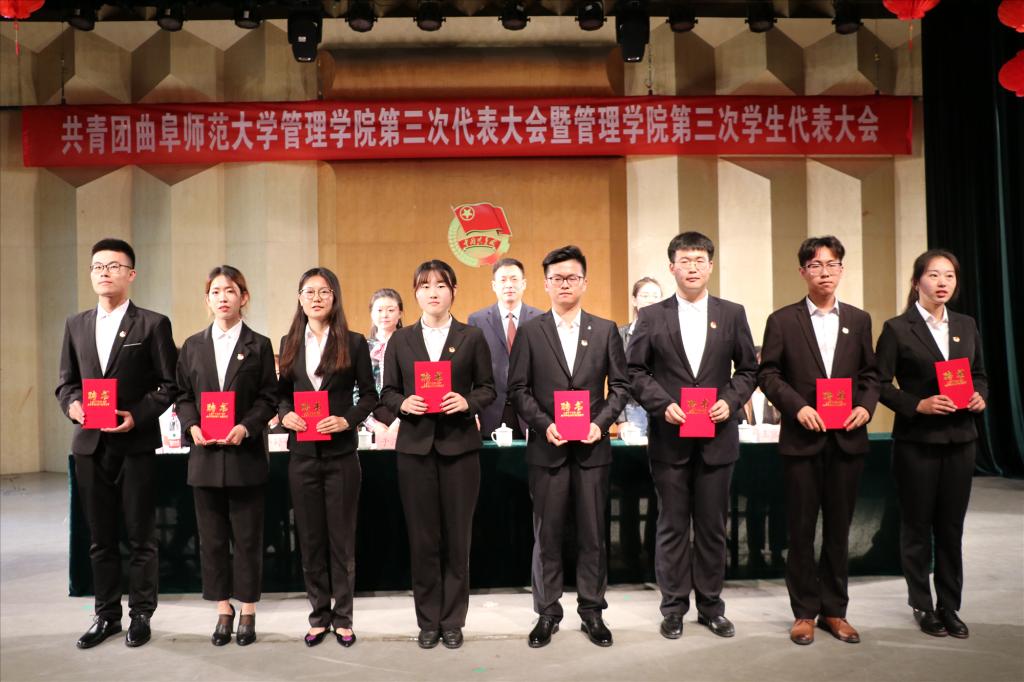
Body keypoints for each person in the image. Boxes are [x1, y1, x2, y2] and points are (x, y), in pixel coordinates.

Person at [627, 232, 757, 640]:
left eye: (700, 260)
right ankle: (673, 608)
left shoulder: (732, 313)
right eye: (685, 260)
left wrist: (730, 401)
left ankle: (711, 607)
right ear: (672, 267)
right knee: (671, 526)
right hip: (670, 437)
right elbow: (634, 371)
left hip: (717, 438)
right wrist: (662, 403)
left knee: (713, 527)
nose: (693, 267)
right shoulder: (652, 316)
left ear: (711, 266)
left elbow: (748, 370)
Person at [758, 236, 879, 646]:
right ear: (802, 271)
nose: (824, 272)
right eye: (815, 265)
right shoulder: (783, 320)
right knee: (800, 531)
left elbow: (870, 374)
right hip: (802, 440)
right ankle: (803, 612)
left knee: (840, 530)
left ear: (841, 269)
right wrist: (797, 408)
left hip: (847, 438)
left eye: (831, 264)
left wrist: (865, 407)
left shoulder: (859, 320)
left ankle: (835, 611)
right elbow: (768, 374)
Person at [56, 238, 178, 649]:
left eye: (113, 266)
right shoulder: (76, 324)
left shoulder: (153, 324)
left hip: (135, 446)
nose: (104, 273)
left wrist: (136, 415)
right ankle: (106, 615)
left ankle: (141, 614)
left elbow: (169, 384)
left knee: (142, 536)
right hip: (90, 446)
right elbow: (65, 384)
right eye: (97, 266)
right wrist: (73, 406)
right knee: (100, 538)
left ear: (131, 274)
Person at [507, 245, 630, 649]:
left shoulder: (606, 329)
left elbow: (621, 386)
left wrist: (600, 423)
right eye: (557, 278)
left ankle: (592, 611)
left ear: (584, 282)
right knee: (548, 534)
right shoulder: (530, 332)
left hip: (593, 450)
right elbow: (518, 389)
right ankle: (547, 612)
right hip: (549, 450)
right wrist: (545, 426)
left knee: (593, 534)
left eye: (572, 277)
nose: (564, 284)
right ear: (545, 284)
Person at [379, 260, 496, 650]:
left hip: (459, 448)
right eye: (425, 286)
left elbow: (488, 388)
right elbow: (387, 392)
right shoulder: (401, 340)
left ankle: (453, 620)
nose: (433, 292)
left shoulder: (472, 337)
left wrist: (467, 401)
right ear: (415, 293)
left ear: (453, 291)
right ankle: (428, 620)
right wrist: (402, 404)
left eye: (441, 285)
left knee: (458, 539)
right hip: (415, 450)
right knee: (423, 539)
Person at [875, 249, 987, 639]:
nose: (942, 282)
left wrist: (980, 396)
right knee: (917, 527)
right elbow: (878, 384)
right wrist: (916, 405)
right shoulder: (897, 329)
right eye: (934, 275)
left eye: (949, 276)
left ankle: (950, 606)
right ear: (916, 281)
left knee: (951, 528)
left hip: (960, 440)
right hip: (917, 442)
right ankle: (922, 604)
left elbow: (979, 374)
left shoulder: (966, 325)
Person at [175, 265, 277, 646]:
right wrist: (191, 426)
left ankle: (248, 608)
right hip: (204, 457)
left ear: (243, 297)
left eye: (230, 291)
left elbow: (269, 397)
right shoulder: (192, 346)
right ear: (207, 299)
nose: (222, 297)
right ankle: (222, 608)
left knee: (248, 538)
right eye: (215, 291)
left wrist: (247, 426)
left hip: (244, 456)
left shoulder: (259, 345)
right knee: (212, 540)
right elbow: (183, 395)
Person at [277, 268, 378, 647]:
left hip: (340, 455)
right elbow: (280, 394)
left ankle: (344, 617)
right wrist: (285, 414)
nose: (316, 298)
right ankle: (318, 615)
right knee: (311, 538)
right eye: (309, 292)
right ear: (300, 298)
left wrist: (347, 419)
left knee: (341, 538)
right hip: (302, 455)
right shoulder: (289, 341)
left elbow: (370, 395)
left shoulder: (353, 342)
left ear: (334, 297)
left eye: (324, 291)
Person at [467, 257, 543, 439]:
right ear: (494, 285)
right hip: (490, 410)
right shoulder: (477, 320)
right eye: (503, 280)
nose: (509, 285)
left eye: (514, 279)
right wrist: (472, 412)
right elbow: (471, 370)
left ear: (524, 284)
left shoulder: (541, 319)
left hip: (530, 411)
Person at [617, 276, 663, 436]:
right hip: (632, 409)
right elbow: (616, 380)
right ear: (634, 300)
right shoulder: (619, 335)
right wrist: (621, 420)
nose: (651, 300)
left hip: (663, 407)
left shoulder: (670, 334)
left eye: (656, 296)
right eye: (645, 295)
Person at [361, 288, 404, 445]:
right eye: (379, 310)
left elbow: (416, 387)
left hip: (404, 415)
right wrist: (373, 424)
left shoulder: (410, 345)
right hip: (370, 420)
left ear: (400, 313)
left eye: (391, 310)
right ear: (371, 314)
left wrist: (399, 422)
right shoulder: (362, 347)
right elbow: (355, 390)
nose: (385, 315)